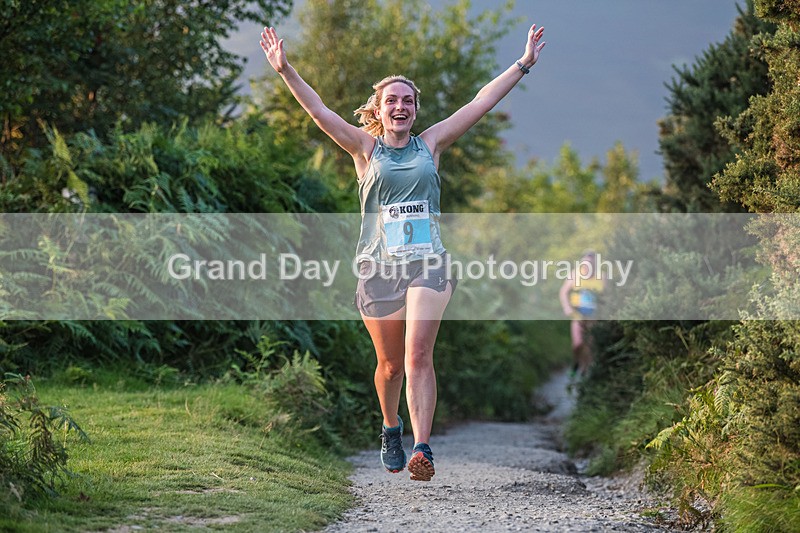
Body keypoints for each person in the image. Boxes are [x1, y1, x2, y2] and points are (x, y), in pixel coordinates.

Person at [260, 23, 545, 482]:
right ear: (379, 109)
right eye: (391, 100)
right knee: (390, 366)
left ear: (415, 110)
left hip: (428, 262)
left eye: (407, 100)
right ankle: (390, 427)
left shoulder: (431, 144)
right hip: (378, 268)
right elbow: (318, 112)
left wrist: (522, 64)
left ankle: (423, 448)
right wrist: (286, 68)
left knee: (417, 356)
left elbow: (479, 102)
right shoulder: (364, 148)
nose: (400, 106)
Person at [559, 251, 605, 378]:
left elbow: (607, 296)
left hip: (593, 317)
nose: (588, 265)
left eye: (591, 262)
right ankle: (576, 363)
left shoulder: (601, 276)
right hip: (577, 316)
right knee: (578, 344)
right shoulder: (575, 275)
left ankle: (587, 372)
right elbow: (563, 292)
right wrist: (566, 307)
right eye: (586, 262)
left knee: (590, 345)